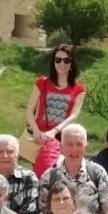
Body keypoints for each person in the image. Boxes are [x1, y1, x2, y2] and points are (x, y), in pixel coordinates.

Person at [38, 124, 108, 214]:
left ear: (86, 147)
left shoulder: (97, 172)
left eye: (79, 144)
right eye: (69, 144)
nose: (74, 149)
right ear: (61, 147)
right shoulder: (49, 176)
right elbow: (42, 212)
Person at [25, 44, 86, 176]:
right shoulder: (42, 82)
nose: (62, 63)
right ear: (53, 62)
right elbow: (30, 110)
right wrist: (36, 131)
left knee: (50, 172)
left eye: (66, 60)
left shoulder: (78, 89)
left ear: (72, 63)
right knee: (42, 171)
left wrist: (54, 132)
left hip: (60, 138)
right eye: (58, 60)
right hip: (39, 137)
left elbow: (74, 116)